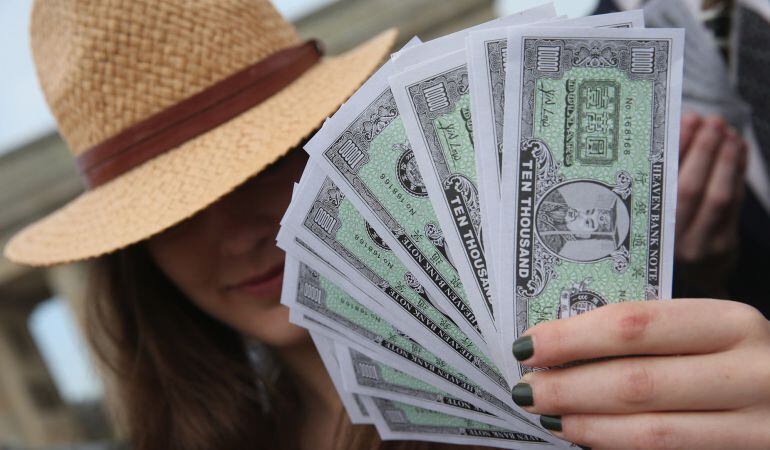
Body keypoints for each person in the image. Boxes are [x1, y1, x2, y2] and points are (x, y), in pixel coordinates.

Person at [4, 2, 767, 450]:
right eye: (175, 214)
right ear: (138, 255)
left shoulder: (605, 355)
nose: (239, 231)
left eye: (270, 164)